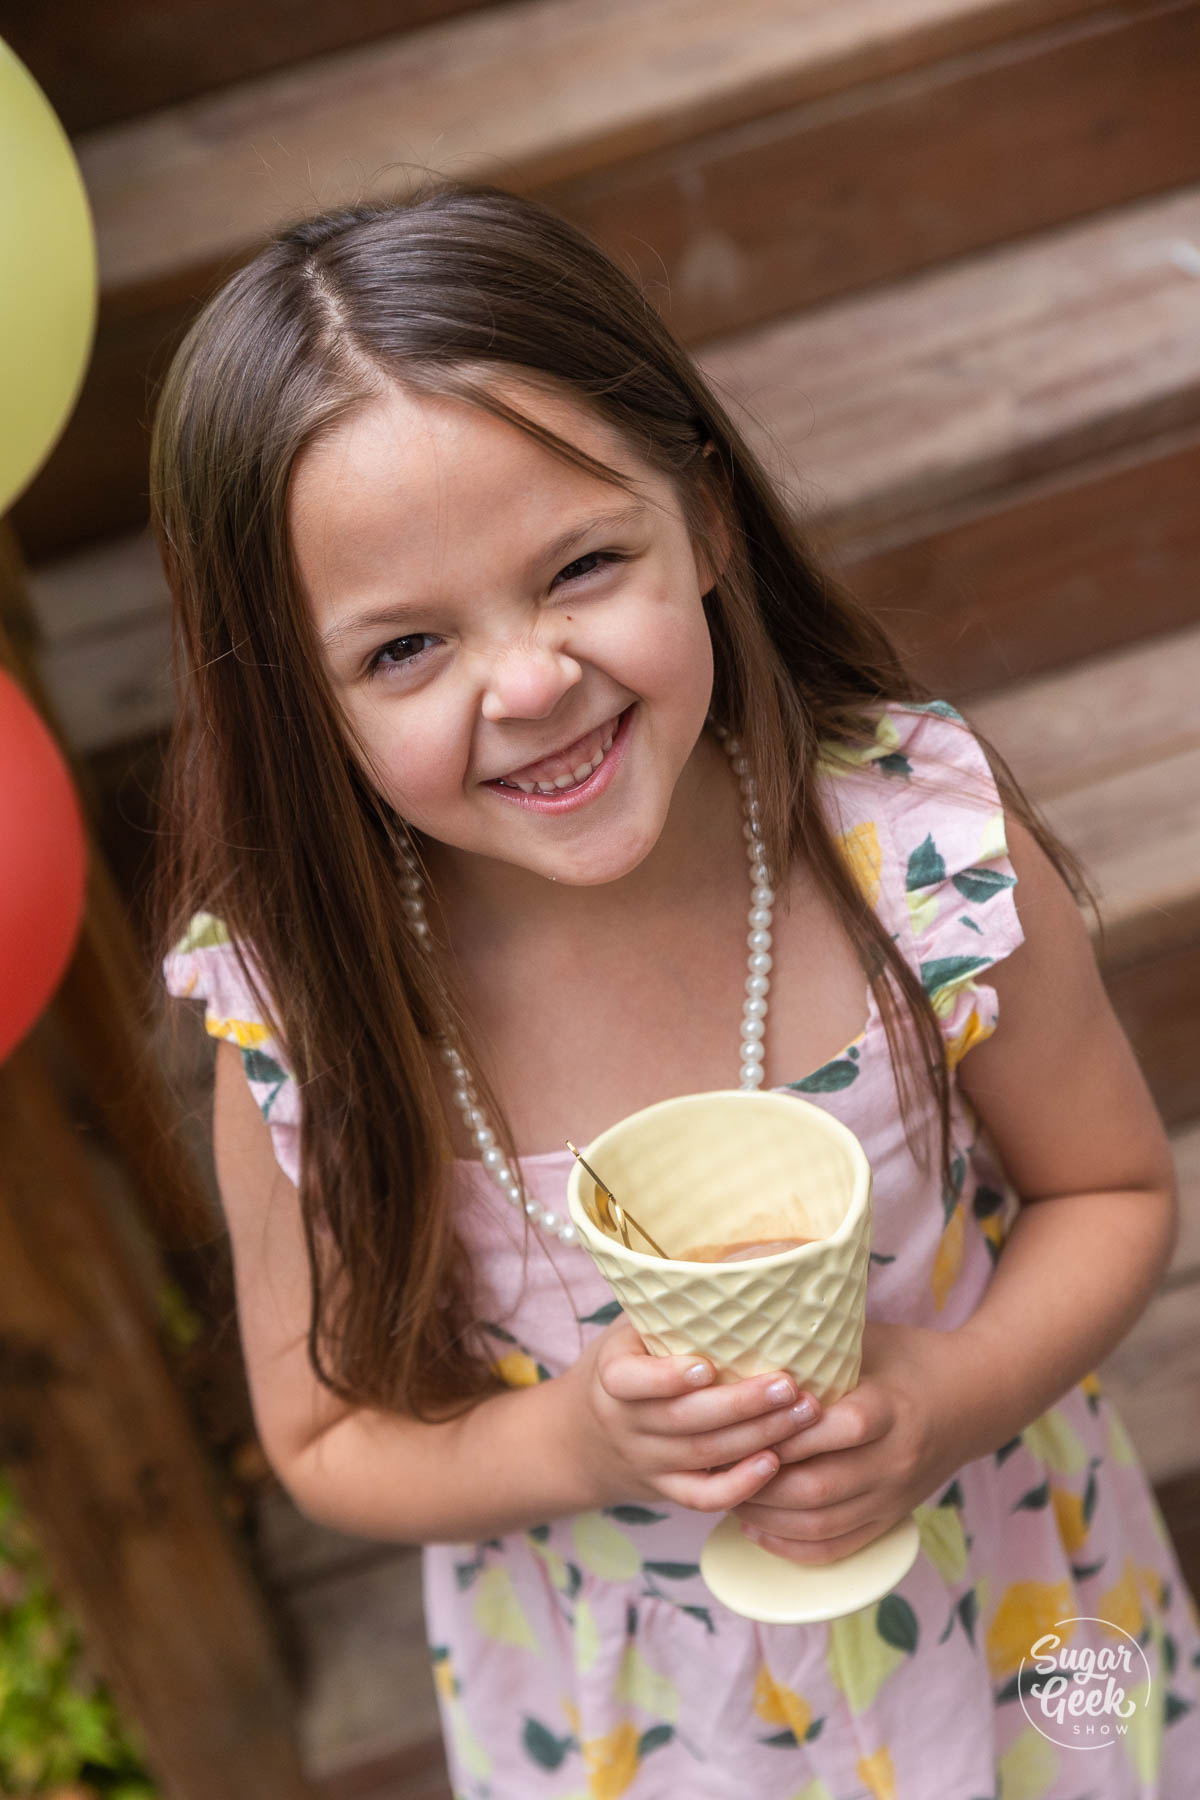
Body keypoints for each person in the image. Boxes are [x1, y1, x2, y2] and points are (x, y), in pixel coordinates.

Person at [154, 179, 1200, 1799]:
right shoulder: (307, 1018)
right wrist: (569, 1445)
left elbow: (1119, 1190)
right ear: (300, 701)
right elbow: (318, 1440)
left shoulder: (916, 855)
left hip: (1020, 1589)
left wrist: (953, 1392)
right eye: (402, 651)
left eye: (578, 564)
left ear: (702, 518)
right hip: (634, 1714)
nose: (528, 679)